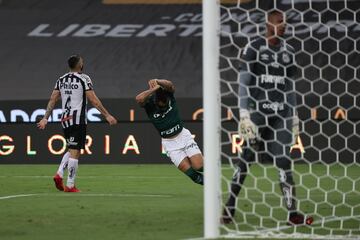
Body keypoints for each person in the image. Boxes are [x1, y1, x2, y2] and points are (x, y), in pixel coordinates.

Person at [221, 10, 313, 225]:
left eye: (285, 22)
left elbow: (290, 87)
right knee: (246, 160)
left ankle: (293, 213)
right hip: (257, 115)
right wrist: (244, 113)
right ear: (268, 24)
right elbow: (243, 82)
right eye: (280, 22)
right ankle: (230, 205)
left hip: (281, 114)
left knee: (283, 159)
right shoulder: (254, 48)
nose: (284, 25)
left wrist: (295, 115)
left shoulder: (289, 51)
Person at [37, 55, 117, 192]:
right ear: (79, 65)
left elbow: (53, 99)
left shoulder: (61, 80)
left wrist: (45, 117)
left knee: (72, 149)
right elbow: (94, 100)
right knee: (76, 151)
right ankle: (70, 184)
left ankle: (60, 174)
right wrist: (107, 115)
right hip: (77, 119)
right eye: (82, 62)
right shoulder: (84, 78)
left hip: (64, 120)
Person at [136, 79, 203, 185]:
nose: (164, 106)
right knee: (195, 177)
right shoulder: (149, 104)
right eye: (161, 105)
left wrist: (158, 81)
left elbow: (170, 84)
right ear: (156, 102)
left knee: (199, 166)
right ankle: (212, 189)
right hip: (170, 144)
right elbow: (139, 99)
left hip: (183, 136)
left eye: (165, 104)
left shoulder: (169, 96)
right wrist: (152, 90)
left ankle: (213, 174)